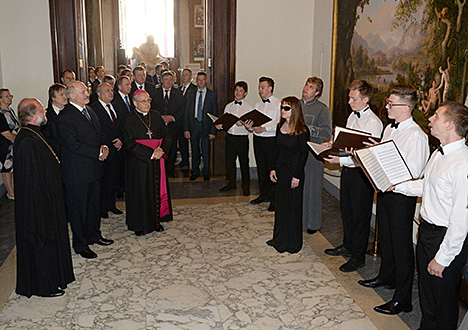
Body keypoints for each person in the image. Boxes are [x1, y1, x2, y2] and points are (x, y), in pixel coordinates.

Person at [393, 101, 468, 329]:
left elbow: (460, 221)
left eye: (436, 116)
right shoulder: (438, 153)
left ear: (450, 125)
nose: (430, 119)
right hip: (427, 233)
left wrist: (443, 258)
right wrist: (395, 186)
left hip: (445, 239)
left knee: (443, 301)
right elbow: (426, 186)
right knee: (427, 296)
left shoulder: (463, 164)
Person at [358, 87, 429, 315]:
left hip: (401, 197)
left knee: (402, 246)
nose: (386, 107)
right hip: (386, 191)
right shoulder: (389, 128)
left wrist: (392, 177)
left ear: (406, 108)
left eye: (391, 104)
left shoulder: (417, 136)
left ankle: (403, 299)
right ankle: (386, 277)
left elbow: (414, 171)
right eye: (388, 103)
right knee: (386, 239)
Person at [14, 98, 74, 298]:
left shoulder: (35, 134)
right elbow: (31, 183)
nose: (45, 111)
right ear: (32, 114)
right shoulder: (27, 141)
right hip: (39, 206)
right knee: (42, 243)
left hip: (49, 200)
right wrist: (43, 206)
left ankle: (55, 279)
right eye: (41, 109)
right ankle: (43, 286)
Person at [323, 80, 383, 272]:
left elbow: (367, 157)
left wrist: (340, 161)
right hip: (349, 171)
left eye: (353, 98)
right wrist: (332, 146)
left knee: (360, 215)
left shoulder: (373, 122)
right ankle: (348, 245)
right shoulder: (352, 116)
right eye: (349, 97)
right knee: (347, 210)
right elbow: (346, 143)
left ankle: (358, 256)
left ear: (365, 99)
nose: (349, 101)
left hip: (362, 175)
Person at [57, 81, 114, 259]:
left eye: (86, 91)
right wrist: (97, 152)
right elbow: (73, 145)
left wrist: (104, 146)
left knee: (93, 206)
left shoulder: (89, 110)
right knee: (79, 209)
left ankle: (94, 235)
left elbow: (100, 133)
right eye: (82, 92)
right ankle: (81, 244)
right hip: (77, 173)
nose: (86, 94)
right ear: (71, 96)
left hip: (94, 169)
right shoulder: (65, 116)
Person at [120, 90, 173, 235]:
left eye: (148, 100)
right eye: (143, 101)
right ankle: (139, 225)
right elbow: (129, 144)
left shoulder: (155, 116)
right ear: (135, 103)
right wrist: (151, 153)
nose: (147, 104)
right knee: (140, 193)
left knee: (155, 191)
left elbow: (167, 135)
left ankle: (156, 221)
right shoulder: (128, 119)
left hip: (157, 162)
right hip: (139, 163)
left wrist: (162, 149)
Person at [267, 96, 309, 253]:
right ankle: (279, 238)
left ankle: (292, 242)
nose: (283, 111)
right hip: (281, 171)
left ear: (295, 110)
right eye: (282, 108)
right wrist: (272, 168)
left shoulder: (302, 130)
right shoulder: (280, 127)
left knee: (293, 207)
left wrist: (297, 176)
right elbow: (276, 150)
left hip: (294, 173)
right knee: (281, 205)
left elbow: (303, 155)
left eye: (286, 108)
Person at [300, 77, 332, 234]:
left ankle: (312, 223)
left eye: (311, 87)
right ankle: (299, 220)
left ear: (317, 92)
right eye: (306, 85)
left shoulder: (322, 109)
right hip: (297, 152)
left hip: (313, 153)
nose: (306, 88)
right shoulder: (296, 105)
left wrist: (308, 129)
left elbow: (327, 132)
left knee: (312, 189)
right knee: (298, 188)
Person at [90, 83, 124, 219]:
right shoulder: (93, 109)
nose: (111, 93)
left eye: (111, 90)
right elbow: (98, 131)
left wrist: (121, 139)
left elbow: (122, 125)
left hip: (118, 148)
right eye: (107, 91)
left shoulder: (116, 106)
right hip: (105, 149)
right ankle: (102, 207)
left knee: (113, 178)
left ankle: (111, 205)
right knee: (103, 180)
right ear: (98, 94)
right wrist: (110, 142)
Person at [250, 77, 281, 212]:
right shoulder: (257, 105)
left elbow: (280, 124)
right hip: (258, 139)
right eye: (259, 87)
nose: (260, 90)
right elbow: (253, 123)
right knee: (261, 167)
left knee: (272, 169)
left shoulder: (278, 104)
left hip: (271, 140)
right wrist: (250, 126)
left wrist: (264, 128)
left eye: (263, 87)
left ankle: (274, 198)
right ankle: (264, 194)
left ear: (270, 88)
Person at [216, 81, 252, 196]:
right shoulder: (228, 106)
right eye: (236, 90)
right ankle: (231, 183)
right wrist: (219, 125)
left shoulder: (249, 107)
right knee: (229, 162)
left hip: (242, 138)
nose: (238, 92)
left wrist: (245, 124)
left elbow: (251, 127)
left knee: (244, 162)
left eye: (241, 90)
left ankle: (246, 186)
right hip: (230, 137)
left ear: (245, 93)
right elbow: (225, 122)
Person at [183, 71, 218, 181]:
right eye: (199, 80)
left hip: (206, 126)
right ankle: (194, 171)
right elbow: (186, 112)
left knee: (206, 150)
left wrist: (213, 131)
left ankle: (206, 172)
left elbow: (215, 114)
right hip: (194, 125)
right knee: (194, 150)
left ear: (206, 81)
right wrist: (186, 129)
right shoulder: (191, 93)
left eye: (203, 79)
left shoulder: (212, 95)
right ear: (196, 81)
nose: (201, 82)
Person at [154, 71, 186, 177]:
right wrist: (160, 118)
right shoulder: (155, 92)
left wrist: (172, 117)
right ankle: (160, 170)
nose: (168, 82)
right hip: (159, 125)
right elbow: (152, 107)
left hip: (173, 125)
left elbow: (182, 108)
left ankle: (169, 170)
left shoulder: (178, 93)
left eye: (170, 80)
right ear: (161, 81)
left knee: (172, 148)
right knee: (160, 147)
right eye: (166, 79)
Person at [0, 88, 19, 200]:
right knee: (7, 169)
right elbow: (5, 133)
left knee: (12, 168)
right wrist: (18, 140)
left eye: (10, 96)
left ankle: (13, 190)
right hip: (5, 145)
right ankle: (10, 192)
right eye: (6, 96)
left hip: (13, 145)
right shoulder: (0, 114)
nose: (9, 98)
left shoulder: (10, 110)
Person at [176, 68, 197, 168]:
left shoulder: (194, 89)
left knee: (193, 143)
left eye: (186, 74)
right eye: (183, 74)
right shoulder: (178, 89)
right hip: (180, 120)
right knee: (182, 142)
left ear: (191, 77)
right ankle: (184, 161)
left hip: (190, 120)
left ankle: (194, 164)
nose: (184, 76)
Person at [43, 83, 67, 155]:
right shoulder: (46, 115)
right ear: (53, 97)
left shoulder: (72, 112)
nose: (65, 97)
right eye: (61, 95)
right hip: (57, 153)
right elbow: (48, 137)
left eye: (65, 94)